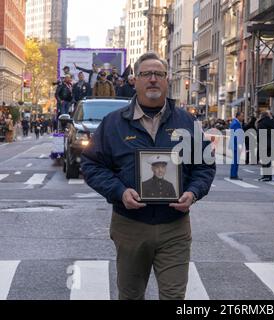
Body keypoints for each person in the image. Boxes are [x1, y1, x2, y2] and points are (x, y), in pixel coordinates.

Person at [81, 51, 216, 300]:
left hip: (174, 226)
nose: (153, 79)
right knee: (130, 295)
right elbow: (91, 165)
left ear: (167, 80)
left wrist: (193, 192)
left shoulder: (187, 122)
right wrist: (120, 192)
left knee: (174, 296)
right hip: (129, 225)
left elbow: (205, 166)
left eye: (159, 74)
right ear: (135, 80)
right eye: (146, 74)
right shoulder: (113, 123)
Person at [256, 111, 274, 181]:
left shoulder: (260, 123)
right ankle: (269, 176)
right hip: (270, 143)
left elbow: (259, 134)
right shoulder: (272, 122)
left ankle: (265, 176)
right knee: (268, 160)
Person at [229, 111, 245, 180]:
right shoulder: (236, 123)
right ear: (238, 116)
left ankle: (234, 174)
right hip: (236, 144)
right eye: (242, 116)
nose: (243, 117)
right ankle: (233, 175)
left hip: (234, 144)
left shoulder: (234, 122)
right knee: (235, 160)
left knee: (235, 160)